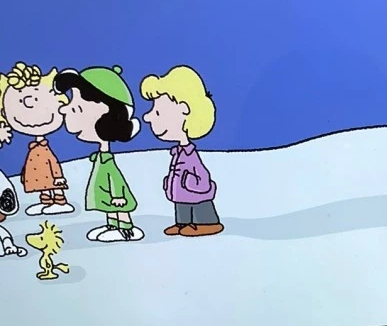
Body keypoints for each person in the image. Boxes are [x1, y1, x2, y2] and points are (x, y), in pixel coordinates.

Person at [53, 66, 143, 242]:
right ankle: (113, 225)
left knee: (118, 207)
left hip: (116, 195)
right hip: (109, 191)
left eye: (77, 109)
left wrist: (118, 195)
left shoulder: (107, 161)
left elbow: (115, 178)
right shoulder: (101, 158)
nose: (64, 110)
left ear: (107, 117)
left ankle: (126, 228)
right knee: (110, 207)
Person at [141, 65, 223, 237]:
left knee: (200, 207)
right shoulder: (177, 152)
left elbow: (202, 175)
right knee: (182, 206)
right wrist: (170, 183)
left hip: (196, 195)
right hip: (181, 193)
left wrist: (190, 184)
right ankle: (182, 223)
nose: (147, 117)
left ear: (184, 110)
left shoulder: (190, 154)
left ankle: (207, 223)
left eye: (158, 112)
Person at [0, 63, 74, 215]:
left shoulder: (43, 149)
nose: (29, 104)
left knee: (52, 184)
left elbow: (52, 162)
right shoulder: (34, 148)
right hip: (38, 173)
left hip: (50, 173)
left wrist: (58, 176)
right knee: (42, 185)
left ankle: (59, 201)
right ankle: (45, 201)